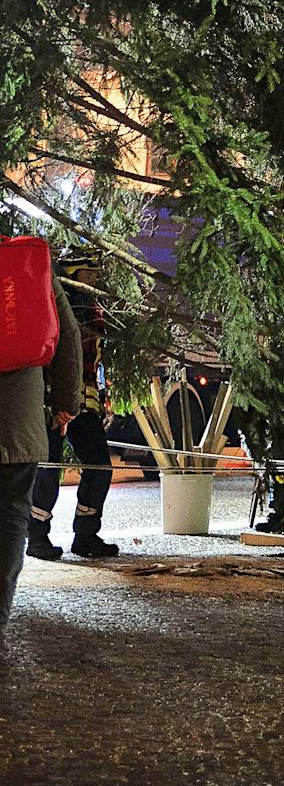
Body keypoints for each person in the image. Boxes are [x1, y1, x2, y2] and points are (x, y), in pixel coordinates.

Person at [2, 258, 81, 631]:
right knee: (11, 519)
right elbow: (68, 334)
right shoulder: (28, 265)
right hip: (18, 425)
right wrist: (67, 402)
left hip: (19, 426)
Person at [28, 251, 118, 561]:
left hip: (85, 403)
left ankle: (86, 535)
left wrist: (101, 400)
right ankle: (36, 537)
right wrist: (56, 403)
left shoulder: (90, 307)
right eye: (87, 275)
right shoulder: (54, 305)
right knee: (48, 470)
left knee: (99, 465)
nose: (93, 281)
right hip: (54, 403)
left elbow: (94, 361)